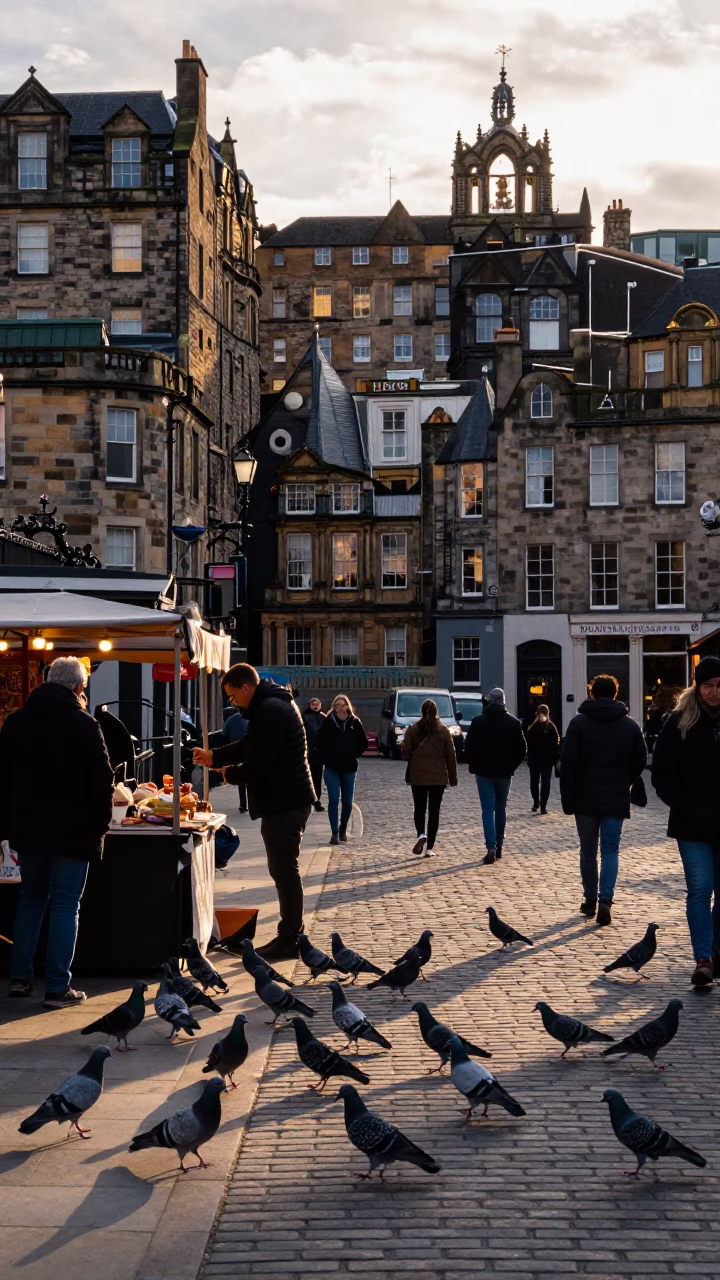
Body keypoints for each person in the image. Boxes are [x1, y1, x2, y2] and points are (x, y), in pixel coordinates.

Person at [0, 657, 113, 1007]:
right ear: (79, 687)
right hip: (73, 834)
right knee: (65, 907)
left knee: (31, 901)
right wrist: (101, 825)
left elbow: (3, 779)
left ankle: (20, 978)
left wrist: (9, 827)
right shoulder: (85, 724)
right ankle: (57, 987)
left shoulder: (16, 721)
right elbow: (103, 780)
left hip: (28, 832)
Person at [193, 664, 315, 962]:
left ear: (246, 687)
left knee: (284, 870)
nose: (232, 701)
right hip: (285, 799)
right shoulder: (270, 705)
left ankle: (290, 938)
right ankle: (290, 934)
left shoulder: (271, 710)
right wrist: (214, 757)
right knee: (283, 869)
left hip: (286, 801)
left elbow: (260, 762)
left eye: (233, 695)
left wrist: (228, 774)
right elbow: (250, 746)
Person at [651, 656, 720, 986]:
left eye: (719, 686)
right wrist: (683, 804)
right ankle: (704, 958)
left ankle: (716, 951)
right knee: (700, 889)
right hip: (692, 825)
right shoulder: (680, 721)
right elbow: (661, 773)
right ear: (697, 685)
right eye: (708, 686)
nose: (714, 692)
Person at [560, 672, 646, 928]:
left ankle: (589, 898)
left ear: (592, 694)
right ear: (616, 694)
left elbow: (568, 763)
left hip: (585, 797)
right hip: (615, 796)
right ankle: (605, 898)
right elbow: (640, 759)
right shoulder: (629, 725)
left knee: (588, 849)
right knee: (610, 849)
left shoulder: (578, 724)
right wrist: (626, 780)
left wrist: (568, 797)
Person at [464, 687, 526, 866]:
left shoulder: (478, 722)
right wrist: (511, 766)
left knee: (487, 810)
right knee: (501, 808)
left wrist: (473, 765)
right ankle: (499, 844)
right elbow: (522, 750)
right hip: (503, 773)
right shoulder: (513, 723)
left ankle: (491, 847)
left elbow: (469, 748)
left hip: (483, 772)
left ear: (489, 701)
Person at [401, 698, 458, 857]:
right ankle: (430, 848)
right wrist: (452, 778)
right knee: (434, 811)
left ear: (421, 712)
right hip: (437, 778)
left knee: (419, 808)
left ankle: (421, 835)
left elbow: (405, 753)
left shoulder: (412, 730)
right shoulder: (443, 731)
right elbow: (451, 756)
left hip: (418, 776)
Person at [317, 694, 368, 846]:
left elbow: (363, 742)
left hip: (349, 767)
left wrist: (353, 754)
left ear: (347, 706)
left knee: (347, 801)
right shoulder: (328, 721)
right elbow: (319, 742)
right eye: (337, 705)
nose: (339, 708)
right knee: (333, 799)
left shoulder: (355, 722)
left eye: (342, 705)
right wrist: (326, 757)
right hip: (332, 767)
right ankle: (334, 833)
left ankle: (342, 829)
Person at [526, 704, 560, 815]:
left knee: (534, 783)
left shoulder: (532, 728)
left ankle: (536, 802)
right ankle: (543, 806)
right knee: (545, 784)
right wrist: (555, 759)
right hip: (547, 761)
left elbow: (528, 745)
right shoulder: (551, 728)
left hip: (535, 760)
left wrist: (529, 757)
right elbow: (556, 745)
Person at [302, 698, 326, 812]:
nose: (315, 706)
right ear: (309, 705)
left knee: (317, 777)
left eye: (317, 704)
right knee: (307, 777)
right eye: (313, 704)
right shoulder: (305, 716)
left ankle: (317, 800)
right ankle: (307, 800)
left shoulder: (323, 717)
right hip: (308, 752)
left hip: (319, 753)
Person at [223, 708, 248, 813]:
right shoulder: (248, 719)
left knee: (241, 779)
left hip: (235, 752)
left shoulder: (230, 720)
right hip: (248, 749)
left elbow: (224, 735)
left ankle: (243, 805)